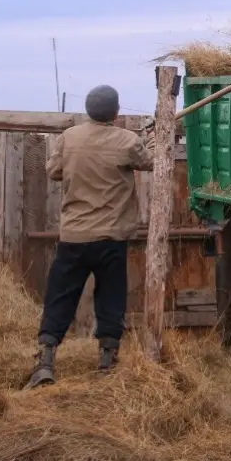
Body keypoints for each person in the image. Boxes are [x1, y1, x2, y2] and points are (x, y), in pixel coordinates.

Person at [24, 84, 155, 388]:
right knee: (111, 297)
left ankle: (45, 359)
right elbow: (148, 161)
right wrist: (149, 139)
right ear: (116, 112)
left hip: (74, 237)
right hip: (111, 237)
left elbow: (54, 171)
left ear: (88, 110)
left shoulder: (69, 138)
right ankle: (107, 361)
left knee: (60, 296)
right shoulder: (127, 141)